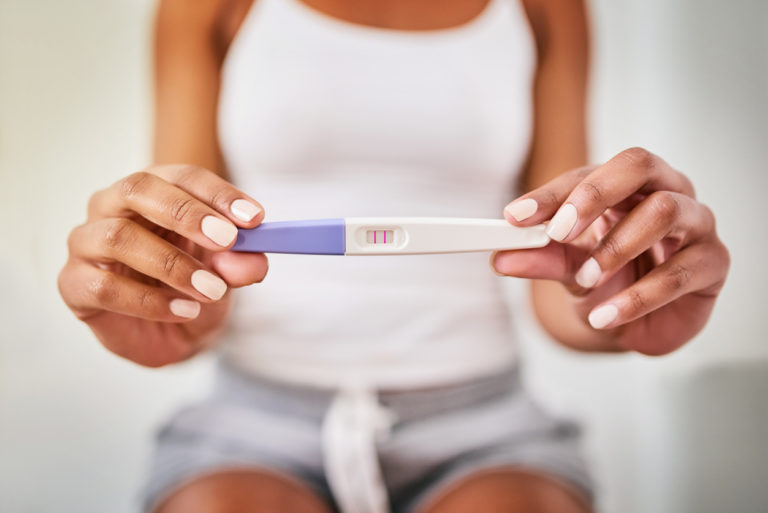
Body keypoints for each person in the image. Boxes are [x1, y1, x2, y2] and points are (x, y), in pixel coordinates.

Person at [57, 0, 730, 512]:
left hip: (487, 422)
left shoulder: (546, 9)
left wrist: (619, 299)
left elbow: (555, 264)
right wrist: (167, 309)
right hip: (252, 419)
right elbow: (191, 248)